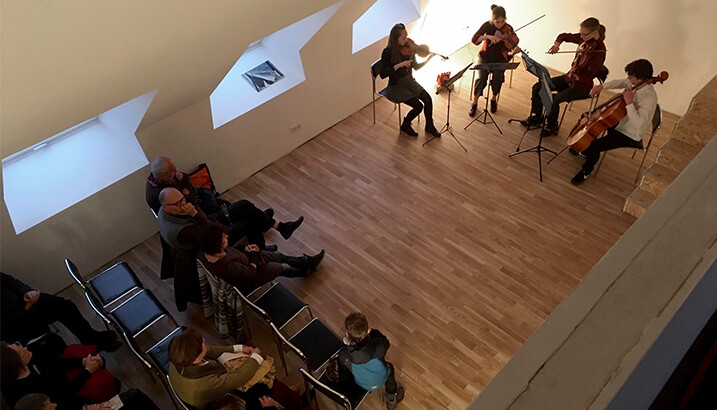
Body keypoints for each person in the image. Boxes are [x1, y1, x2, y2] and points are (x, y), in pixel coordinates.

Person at [147, 156, 304, 250]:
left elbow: (187, 181)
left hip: (207, 213)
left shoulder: (169, 180)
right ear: (162, 176)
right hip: (210, 223)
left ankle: (276, 226)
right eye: (172, 173)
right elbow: (206, 224)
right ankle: (264, 240)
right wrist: (189, 200)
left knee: (245, 206)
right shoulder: (165, 201)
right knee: (248, 217)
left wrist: (186, 190)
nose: (176, 174)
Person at [168, 329, 304, 410]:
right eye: (202, 342)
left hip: (204, 399)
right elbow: (239, 378)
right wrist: (256, 356)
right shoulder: (205, 384)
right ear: (196, 360)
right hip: (219, 403)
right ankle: (286, 399)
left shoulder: (179, 359)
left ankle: (283, 395)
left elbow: (208, 351)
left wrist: (237, 348)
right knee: (263, 382)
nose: (204, 340)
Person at [570, 59, 657, 185]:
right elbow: (620, 82)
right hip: (620, 120)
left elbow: (638, 123)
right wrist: (600, 87)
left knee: (595, 146)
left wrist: (629, 102)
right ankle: (586, 150)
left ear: (640, 78)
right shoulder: (636, 83)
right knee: (598, 122)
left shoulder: (649, 98)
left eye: (631, 77)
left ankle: (586, 171)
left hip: (629, 133)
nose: (628, 79)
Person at [0, 343, 159, 410]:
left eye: (19, 346)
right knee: (133, 397)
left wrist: (83, 362)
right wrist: (87, 372)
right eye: (21, 353)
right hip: (75, 404)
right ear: (14, 365)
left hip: (79, 401)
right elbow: (63, 397)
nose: (25, 348)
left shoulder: (32, 358)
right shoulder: (21, 396)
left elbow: (57, 363)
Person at [523, 17, 606, 137]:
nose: (581, 36)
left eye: (584, 34)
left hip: (581, 87)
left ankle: (552, 125)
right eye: (580, 33)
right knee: (538, 86)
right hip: (569, 78)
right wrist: (557, 45)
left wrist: (577, 77)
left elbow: (590, 76)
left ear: (594, 33)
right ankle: (537, 117)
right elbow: (563, 36)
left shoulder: (599, 51)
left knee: (554, 98)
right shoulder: (584, 39)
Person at [0, 272, 120, 352]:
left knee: (65, 306)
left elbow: (8, 280)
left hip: (24, 303)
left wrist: (26, 291)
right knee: (52, 344)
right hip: (15, 326)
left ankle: (90, 338)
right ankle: (80, 359)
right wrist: (26, 308)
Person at [199, 225, 325, 295]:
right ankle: (305, 270)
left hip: (248, 260)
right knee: (283, 267)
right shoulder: (229, 266)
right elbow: (251, 273)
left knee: (278, 256)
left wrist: (244, 248)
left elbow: (232, 251)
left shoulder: (209, 253)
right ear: (217, 244)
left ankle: (306, 261)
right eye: (223, 237)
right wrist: (254, 254)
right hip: (253, 276)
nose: (227, 236)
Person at [380, 23, 441, 138]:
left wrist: (427, 60)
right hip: (396, 86)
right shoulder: (387, 52)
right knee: (418, 106)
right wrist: (399, 65)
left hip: (409, 81)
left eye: (406, 36)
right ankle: (406, 124)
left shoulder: (408, 48)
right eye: (403, 38)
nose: (406, 39)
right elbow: (383, 74)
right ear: (396, 38)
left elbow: (416, 67)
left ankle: (429, 125)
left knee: (428, 99)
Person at [338, 313, 404, 410]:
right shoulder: (378, 346)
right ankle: (391, 399)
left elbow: (345, 372)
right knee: (390, 367)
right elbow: (386, 342)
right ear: (368, 330)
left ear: (347, 334)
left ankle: (369, 389)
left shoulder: (343, 355)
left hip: (360, 383)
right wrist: (374, 333)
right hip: (381, 377)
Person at [469, 4, 514, 116]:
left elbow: (510, 47)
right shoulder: (487, 25)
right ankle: (474, 103)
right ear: (493, 19)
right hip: (485, 56)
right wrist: (488, 37)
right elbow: (474, 39)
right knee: (481, 78)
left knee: (498, 78)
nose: (500, 25)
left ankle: (493, 99)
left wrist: (513, 49)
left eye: (502, 21)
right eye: (497, 22)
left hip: (500, 58)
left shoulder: (508, 29)